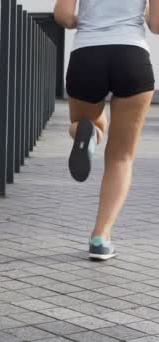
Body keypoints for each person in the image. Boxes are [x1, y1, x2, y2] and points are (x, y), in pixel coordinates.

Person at [54, 0, 158, 260]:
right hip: (131, 57)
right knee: (121, 157)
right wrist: (143, 14)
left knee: (86, 123)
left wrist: (83, 21)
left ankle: (86, 133)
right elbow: (157, 25)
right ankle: (101, 237)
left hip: (87, 55)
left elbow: (63, 16)